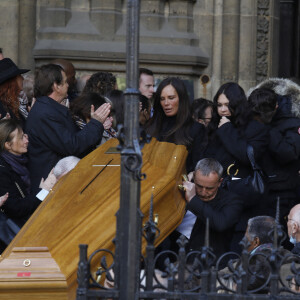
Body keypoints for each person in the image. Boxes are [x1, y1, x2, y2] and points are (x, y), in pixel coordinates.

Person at [203, 82, 269, 253]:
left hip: (243, 201)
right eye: (219, 105)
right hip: (217, 202)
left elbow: (248, 156)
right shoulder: (215, 127)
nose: (223, 109)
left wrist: (226, 130)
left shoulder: (256, 129)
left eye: (227, 104)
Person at [26, 64, 111, 192]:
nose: (68, 85)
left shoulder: (50, 109)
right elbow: (72, 145)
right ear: (56, 86)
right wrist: (95, 123)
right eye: (65, 82)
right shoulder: (45, 113)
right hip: (51, 185)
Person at [248, 80, 300, 226]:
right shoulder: (253, 118)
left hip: (282, 191)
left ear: (276, 106)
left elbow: (289, 153)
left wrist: (266, 129)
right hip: (255, 189)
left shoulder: (291, 122)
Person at [180, 158, 243, 258]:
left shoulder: (232, 201)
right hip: (178, 257)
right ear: (194, 178)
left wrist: (193, 199)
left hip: (210, 263)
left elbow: (221, 223)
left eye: (209, 188)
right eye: (199, 186)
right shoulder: (185, 190)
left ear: (219, 182)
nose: (203, 192)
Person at [0, 119, 56, 228]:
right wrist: (44, 191)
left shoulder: (21, 159)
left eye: (25, 135)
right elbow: (16, 208)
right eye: (21, 138)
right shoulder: (2, 172)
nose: (26, 140)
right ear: (8, 145)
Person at [145, 77, 205, 172]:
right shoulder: (151, 126)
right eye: (162, 99)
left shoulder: (195, 129)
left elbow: (199, 166)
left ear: (181, 99)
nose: (166, 103)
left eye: (171, 98)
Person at [0, 58, 30, 123]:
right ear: (12, 82)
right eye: (19, 76)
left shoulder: (17, 102)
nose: (22, 78)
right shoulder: (3, 107)